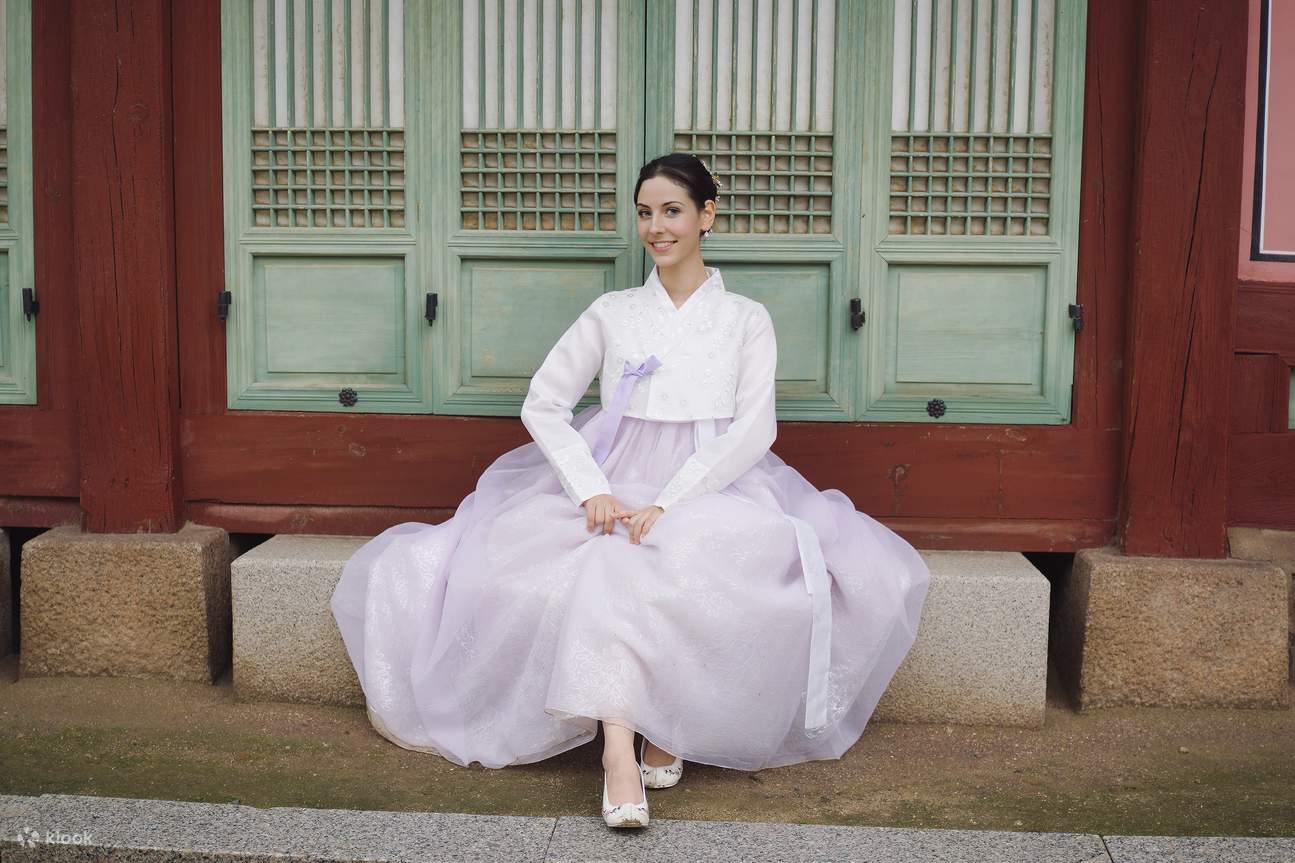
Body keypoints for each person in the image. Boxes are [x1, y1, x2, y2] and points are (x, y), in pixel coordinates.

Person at [329, 152, 931, 830]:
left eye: (671, 210)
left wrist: (671, 499)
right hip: (614, 476)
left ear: (707, 214)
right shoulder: (613, 311)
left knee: (688, 557)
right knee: (605, 559)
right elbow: (543, 403)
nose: (656, 226)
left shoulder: (744, 318)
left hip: (714, 481)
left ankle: (665, 720)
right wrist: (591, 488)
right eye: (645, 212)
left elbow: (754, 427)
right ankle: (620, 748)